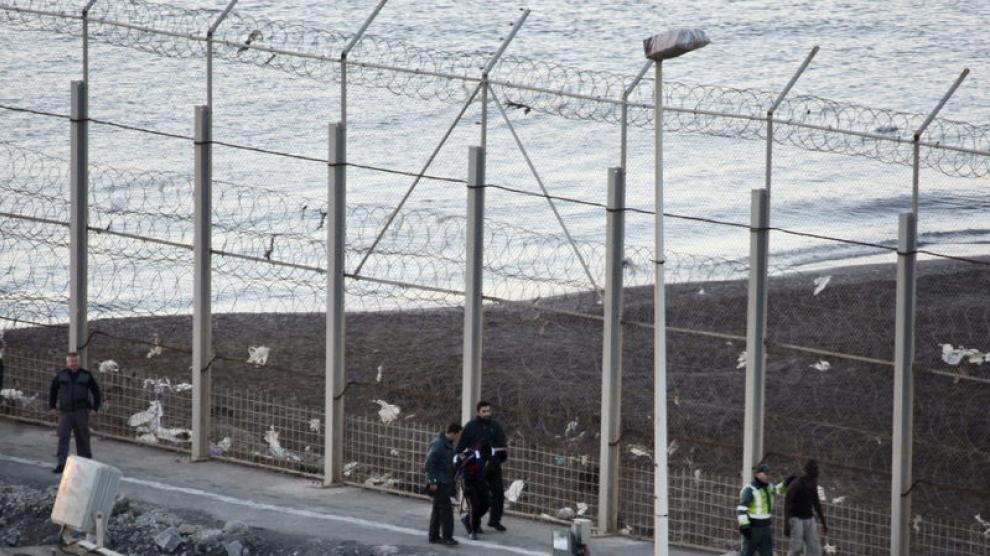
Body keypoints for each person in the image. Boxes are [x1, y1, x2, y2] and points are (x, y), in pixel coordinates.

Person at [456, 400, 509, 534]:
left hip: (493, 465)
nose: (487, 414)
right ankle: (475, 522)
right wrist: (460, 460)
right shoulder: (471, 427)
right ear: (478, 412)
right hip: (477, 467)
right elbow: (461, 446)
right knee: (480, 498)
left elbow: (502, 445)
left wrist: (499, 458)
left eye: (488, 411)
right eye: (484, 411)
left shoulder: (495, 426)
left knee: (498, 494)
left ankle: (495, 520)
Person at [48, 352, 101, 474]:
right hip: (65, 413)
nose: (73, 364)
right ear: (67, 362)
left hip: (81, 413)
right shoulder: (61, 375)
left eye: (75, 361)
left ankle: (85, 464)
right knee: (63, 438)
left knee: (83, 438)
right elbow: (53, 391)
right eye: (71, 361)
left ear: (79, 361)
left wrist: (95, 408)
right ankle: (61, 465)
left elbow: (96, 392)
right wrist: (52, 407)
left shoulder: (86, 375)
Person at [736, 463, 796, 556]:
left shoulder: (769, 487)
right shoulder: (750, 489)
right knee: (747, 553)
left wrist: (786, 482)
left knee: (767, 553)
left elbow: (777, 490)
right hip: (752, 528)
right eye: (766, 474)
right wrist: (744, 526)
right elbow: (741, 509)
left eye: (769, 474)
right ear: (757, 474)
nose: (768, 476)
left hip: (765, 528)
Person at [425, 422, 462, 546]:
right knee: (446, 511)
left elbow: (448, 461)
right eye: (458, 435)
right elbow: (429, 464)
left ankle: (434, 535)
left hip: (446, 481)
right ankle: (448, 537)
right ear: (453, 433)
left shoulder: (448, 444)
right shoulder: (439, 445)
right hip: (440, 482)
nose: (458, 438)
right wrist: (433, 481)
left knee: (437, 509)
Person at [785, 459, 828, 556]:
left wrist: (823, 522)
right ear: (809, 470)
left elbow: (816, 503)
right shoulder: (797, 484)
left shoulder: (813, 483)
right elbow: (787, 503)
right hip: (796, 518)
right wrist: (786, 524)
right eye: (815, 469)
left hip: (809, 518)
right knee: (796, 547)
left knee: (815, 549)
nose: (817, 471)